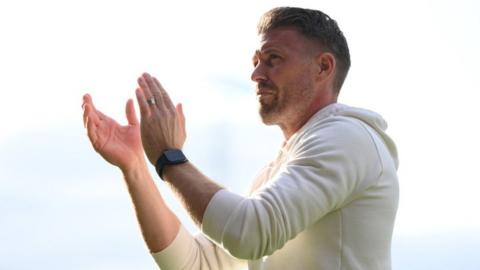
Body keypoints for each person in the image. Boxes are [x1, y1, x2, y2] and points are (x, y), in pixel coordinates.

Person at [82, 6, 399, 270]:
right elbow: (197, 264)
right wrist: (136, 165)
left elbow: (250, 231)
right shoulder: (275, 172)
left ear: (323, 67)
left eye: (273, 58)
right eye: (256, 62)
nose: (256, 74)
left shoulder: (347, 137)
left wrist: (169, 157)